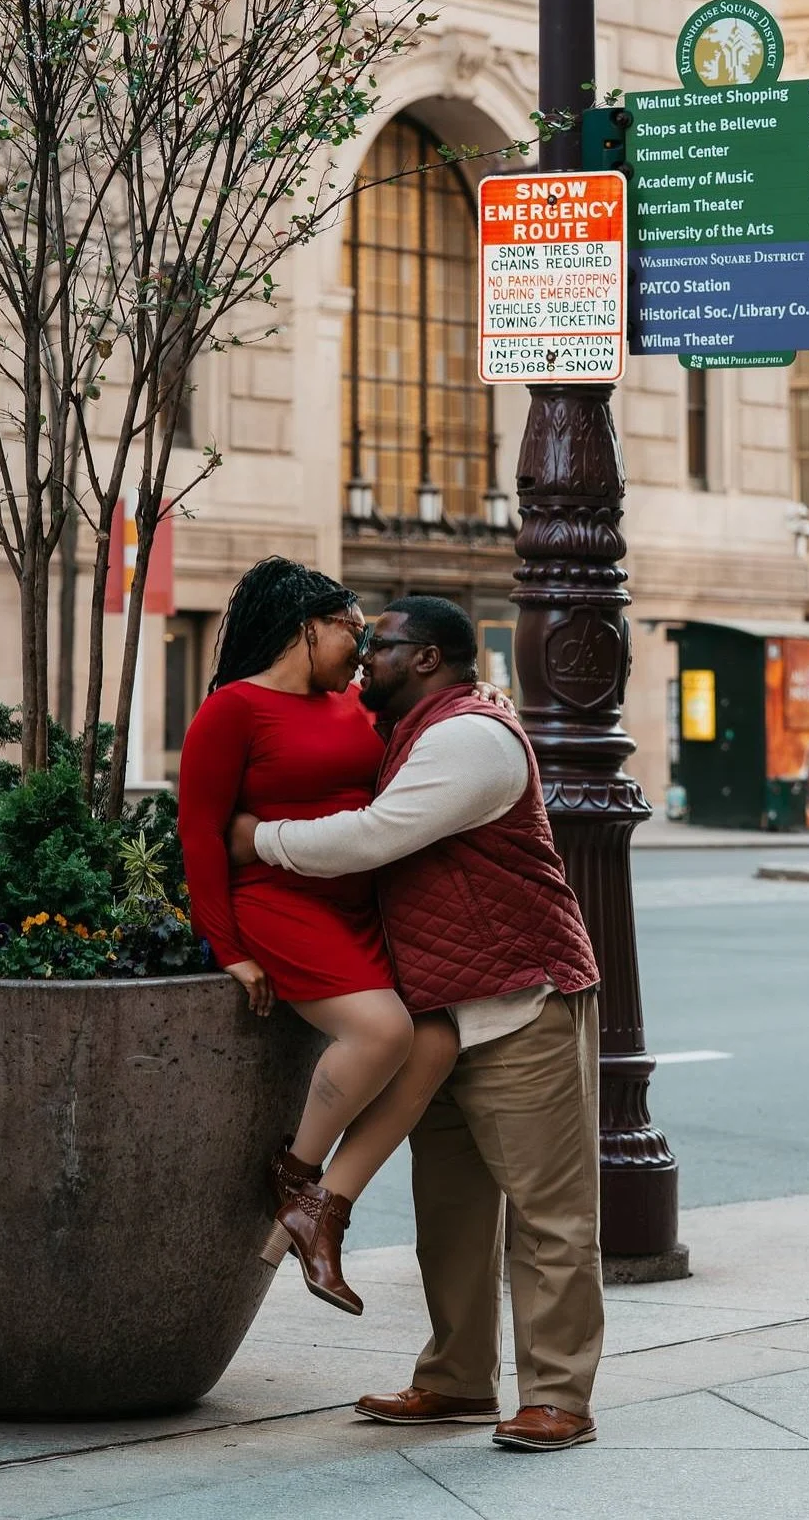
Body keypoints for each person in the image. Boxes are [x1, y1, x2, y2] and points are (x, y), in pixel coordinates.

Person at [230, 595, 604, 1454]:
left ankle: (560, 1397)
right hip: (439, 1013)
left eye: (383, 646)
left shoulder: (471, 737)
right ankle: (458, 1379)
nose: (364, 657)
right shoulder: (410, 732)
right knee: (452, 1214)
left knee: (550, 1214)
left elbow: (375, 837)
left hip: (517, 1002)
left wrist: (260, 841)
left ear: (431, 658)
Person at [178, 559, 507, 1318]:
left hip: (357, 904)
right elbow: (200, 834)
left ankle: (325, 1209)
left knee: (433, 1041)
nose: (360, 652)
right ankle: (295, 1176)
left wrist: (481, 695)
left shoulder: (357, 706)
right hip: (278, 902)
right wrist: (227, 947)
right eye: (352, 632)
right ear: (308, 628)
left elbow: (425, 727)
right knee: (383, 1029)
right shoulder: (233, 710)